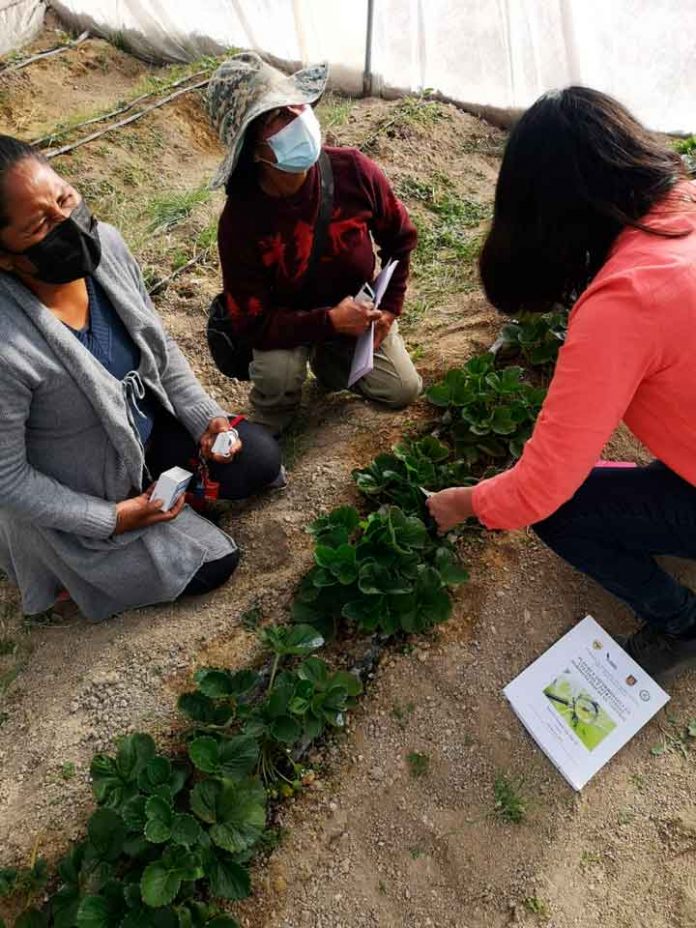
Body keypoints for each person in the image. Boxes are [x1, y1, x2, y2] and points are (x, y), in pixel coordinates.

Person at [426, 86, 696, 683]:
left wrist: (463, 501)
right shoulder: (686, 213)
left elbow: (539, 489)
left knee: (563, 509)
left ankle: (680, 622)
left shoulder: (624, 304)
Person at [0, 135, 283, 622]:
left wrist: (205, 421)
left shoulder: (105, 246)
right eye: (40, 225)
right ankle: (64, 569)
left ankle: (168, 506)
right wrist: (112, 518)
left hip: (144, 440)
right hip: (85, 489)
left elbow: (160, 347)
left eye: (64, 198)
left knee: (257, 460)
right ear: (5, 256)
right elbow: (8, 479)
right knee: (214, 564)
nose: (67, 222)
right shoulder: (8, 343)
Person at [206, 52, 423, 435]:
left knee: (402, 388)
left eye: (295, 105)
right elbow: (251, 322)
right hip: (285, 324)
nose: (296, 119)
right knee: (278, 381)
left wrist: (387, 309)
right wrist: (328, 322)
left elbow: (400, 239)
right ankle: (276, 409)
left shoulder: (352, 170)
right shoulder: (242, 221)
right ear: (253, 151)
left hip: (355, 312)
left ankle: (331, 361)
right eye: (277, 116)